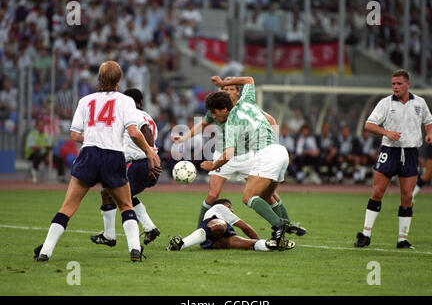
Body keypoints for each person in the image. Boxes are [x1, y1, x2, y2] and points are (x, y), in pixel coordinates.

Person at [33, 61, 160, 262]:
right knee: (126, 205)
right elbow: (134, 132)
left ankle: (45, 251)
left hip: (89, 155)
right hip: (113, 156)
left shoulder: (85, 100)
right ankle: (135, 250)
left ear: (99, 78)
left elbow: (75, 134)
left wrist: (94, 136)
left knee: (67, 207)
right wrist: (150, 153)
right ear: (119, 80)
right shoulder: (126, 101)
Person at [173, 77, 305, 238]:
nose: (213, 117)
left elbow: (228, 153)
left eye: (230, 88)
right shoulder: (247, 101)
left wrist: (212, 166)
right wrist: (184, 138)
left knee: (248, 197)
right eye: (225, 89)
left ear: (226, 108)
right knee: (263, 195)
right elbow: (249, 79)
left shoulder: (232, 123)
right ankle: (283, 229)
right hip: (278, 152)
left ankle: (280, 225)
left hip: (258, 156)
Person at [354, 69, 432, 249]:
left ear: (408, 84)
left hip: (411, 152)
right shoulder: (385, 103)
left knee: (407, 196)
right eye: (393, 84)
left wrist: (430, 134)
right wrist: (386, 132)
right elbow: (368, 124)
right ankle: (366, 234)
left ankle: (402, 239)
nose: (395, 87)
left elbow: (428, 121)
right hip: (389, 151)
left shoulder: (419, 103)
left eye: (399, 84)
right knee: (377, 192)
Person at [90, 88, 162, 247]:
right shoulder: (147, 116)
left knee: (110, 194)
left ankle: (110, 236)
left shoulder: (134, 115)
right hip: (144, 164)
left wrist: (151, 155)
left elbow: (145, 130)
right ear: (141, 102)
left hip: (143, 164)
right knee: (122, 196)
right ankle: (149, 228)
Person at [166, 199, 294, 251]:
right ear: (225, 205)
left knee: (248, 244)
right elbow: (245, 227)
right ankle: (181, 244)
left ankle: (272, 245)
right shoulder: (220, 207)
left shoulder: (219, 213)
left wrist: (257, 241)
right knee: (220, 226)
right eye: (230, 208)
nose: (232, 210)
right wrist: (257, 238)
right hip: (215, 226)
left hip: (211, 241)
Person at [25, 118, 66, 183]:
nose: (41, 127)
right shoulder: (32, 134)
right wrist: (44, 147)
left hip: (44, 154)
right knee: (38, 155)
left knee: (59, 158)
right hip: (32, 154)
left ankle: (61, 176)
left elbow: (49, 146)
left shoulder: (45, 136)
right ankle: (34, 171)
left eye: (42, 125)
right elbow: (34, 147)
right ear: (36, 126)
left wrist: (49, 155)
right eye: (40, 125)